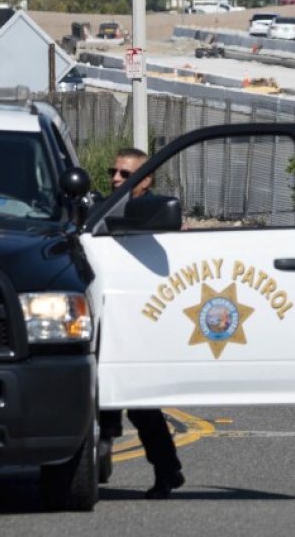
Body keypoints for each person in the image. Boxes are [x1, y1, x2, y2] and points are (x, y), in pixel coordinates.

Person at [99, 147, 185, 500]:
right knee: (98, 394)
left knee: (140, 405)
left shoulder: (151, 210)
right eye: (113, 172)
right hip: (103, 313)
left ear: (146, 180)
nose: (116, 179)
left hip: (139, 319)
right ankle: (100, 455)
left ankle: (167, 471)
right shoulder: (99, 208)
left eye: (126, 174)